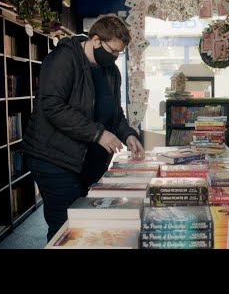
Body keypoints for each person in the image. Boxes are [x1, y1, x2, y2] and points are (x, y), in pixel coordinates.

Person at [22, 14, 144, 242]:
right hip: (54, 158)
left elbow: (114, 113)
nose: (116, 58)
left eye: (120, 53)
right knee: (66, 225)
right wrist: (97, 134)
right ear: (96, 40)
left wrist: (128, 134)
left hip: (87, 161)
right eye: (114, 51)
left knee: (86, 221)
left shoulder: (111, 70)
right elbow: (52, 106)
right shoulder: (63, 58)